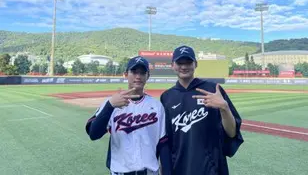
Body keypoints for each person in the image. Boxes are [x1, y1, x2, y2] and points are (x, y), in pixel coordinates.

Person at [160, 45, 244, 175]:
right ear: (173, 65)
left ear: (195, 64)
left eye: (188, 62)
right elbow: (166, 140)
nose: (184, 66)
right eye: (179, 62)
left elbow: (232, 133)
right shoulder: (167, 97)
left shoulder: (212, 89)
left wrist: (224, 108)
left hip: (211, 168)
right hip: (180, 168)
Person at [85, 56, 172, 175]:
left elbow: (163, 143)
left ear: (148, 76)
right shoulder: (111, 103)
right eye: (134, 72)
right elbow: (94, 134)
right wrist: (110, 106)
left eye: (142, 72)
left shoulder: (157, 106)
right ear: (126, 74)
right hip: (120, 172)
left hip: (149, 172)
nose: (138, 76)